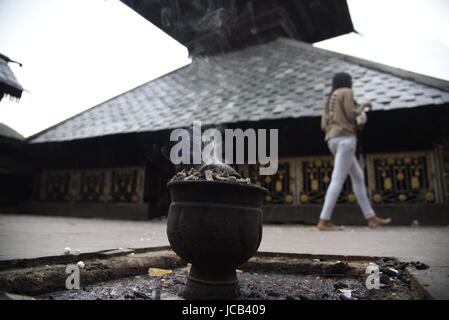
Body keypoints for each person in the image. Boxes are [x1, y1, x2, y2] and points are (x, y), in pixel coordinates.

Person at [318, 72, 391, 231]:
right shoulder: (347, 92)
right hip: (345, 138)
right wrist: (363, 106)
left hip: (332, 139)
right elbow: (351, 114)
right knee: (338, 179)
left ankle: (371, 217)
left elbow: (323, 124)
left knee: (358, 176)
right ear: (348, 82)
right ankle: (323, 220)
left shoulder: (330, 98)